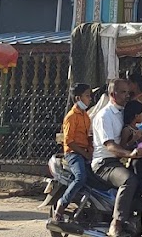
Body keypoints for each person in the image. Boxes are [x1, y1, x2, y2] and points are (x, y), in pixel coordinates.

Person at [91, 79, 142, 237]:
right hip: (104, 163)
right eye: (123, 92)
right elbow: (110, 146)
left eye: (128, 92)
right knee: (129, 180)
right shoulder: (104, 116)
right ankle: (116, 223)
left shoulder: (124, 113)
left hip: (118, 161)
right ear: (113, 94)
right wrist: (130, 154)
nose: (127, 96)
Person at [53, 83, 94, 219]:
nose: (90, 99)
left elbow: (87, 136)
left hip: (85, 152)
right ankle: (62, 204)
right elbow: (69, 141)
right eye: (87, 96)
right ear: (78, 98)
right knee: (80, 177)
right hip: (73, 154)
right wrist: (85, 153)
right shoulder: (71, 117)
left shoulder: (86, 116)